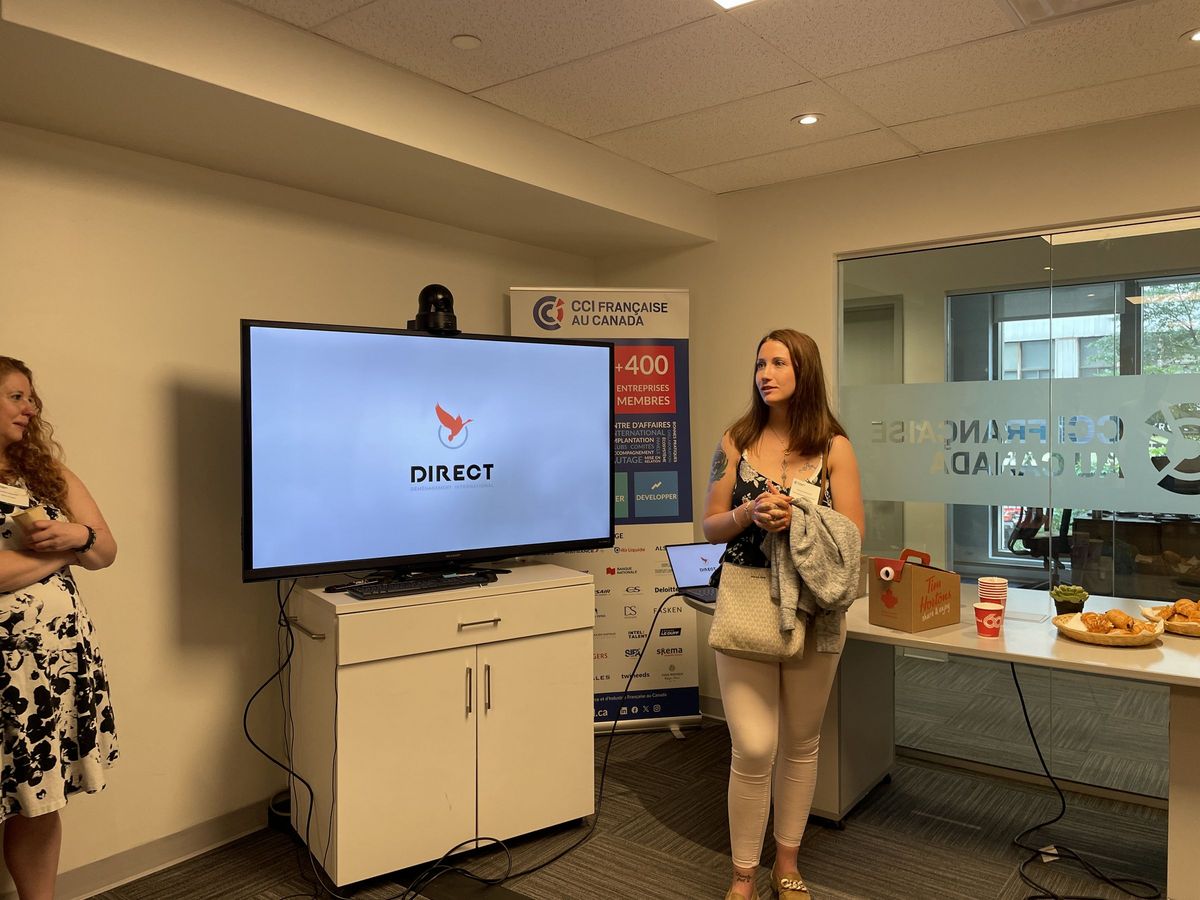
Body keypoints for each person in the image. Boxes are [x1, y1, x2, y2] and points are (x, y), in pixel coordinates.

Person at [702, 330, 865, 900]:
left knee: (801, 742)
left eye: (778, 363)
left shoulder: (834, 447)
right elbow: (710, 525)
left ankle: (787, 864)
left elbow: (853, 535)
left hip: (815, 609)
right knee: (752, 747)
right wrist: (747, 513)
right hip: (746, 598)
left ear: (805, 371)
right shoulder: (735, 440)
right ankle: (743, 874)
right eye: (759, 364)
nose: (765, 374)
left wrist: (799, 518)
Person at [0, 356, 118, 900]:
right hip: (5, 669)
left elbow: (105, 550)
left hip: (54, 667)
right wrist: (69, 550)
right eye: (15, 396)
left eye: (31, 397)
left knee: (39, 798)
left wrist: (80, 538)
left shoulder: (48, 474)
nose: (30, 408)